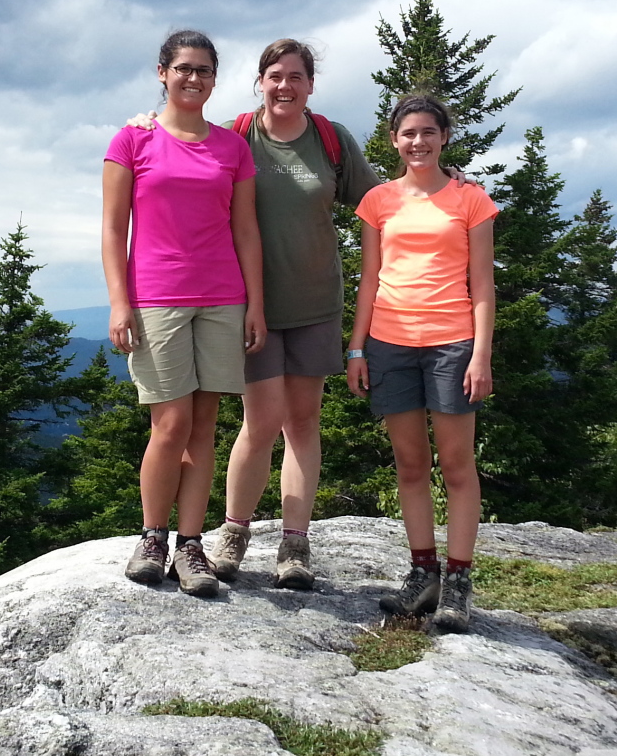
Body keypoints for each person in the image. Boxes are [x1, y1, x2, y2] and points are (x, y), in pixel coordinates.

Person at [128, 40, 476, 590]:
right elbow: (185, 145)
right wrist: (147, 124)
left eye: (295, 76)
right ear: (259, 82)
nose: (285, 85)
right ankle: (234, 533)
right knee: (260, 422)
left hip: (316, 304)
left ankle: (295, 544)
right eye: (274, 75)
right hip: (246, 307)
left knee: (303, 422)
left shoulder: (331, 141)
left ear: (310, 85)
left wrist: (449, 185)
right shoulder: (237, 135)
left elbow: (384, 201)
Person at [102, 29, 266, 599]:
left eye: (204, 70)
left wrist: (255, 305)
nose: (194, 79)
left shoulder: (232, 147)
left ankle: (190, 546)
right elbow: (112, 228)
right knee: (169, 425)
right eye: (184, 68)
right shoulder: (132, 140)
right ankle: (153, 536)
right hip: (157, 296)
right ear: (163, 72)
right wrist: (120, 301)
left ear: (215, 80)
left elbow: (246, 230)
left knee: (203, 428)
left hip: (222, 297)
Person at [347, 94, 497, 632]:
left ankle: (457, 581)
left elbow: (482, 285)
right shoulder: (378, 202)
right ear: (394, 139)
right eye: (408, 133)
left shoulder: (471, 200)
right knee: (410, 466)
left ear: (444, 137)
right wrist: (358, 348)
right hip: (389, 343)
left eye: (428, 132)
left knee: (457, 466)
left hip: (453, 343)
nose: (418, 142)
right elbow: (369, 278)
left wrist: (481, 354)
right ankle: (423, 573)